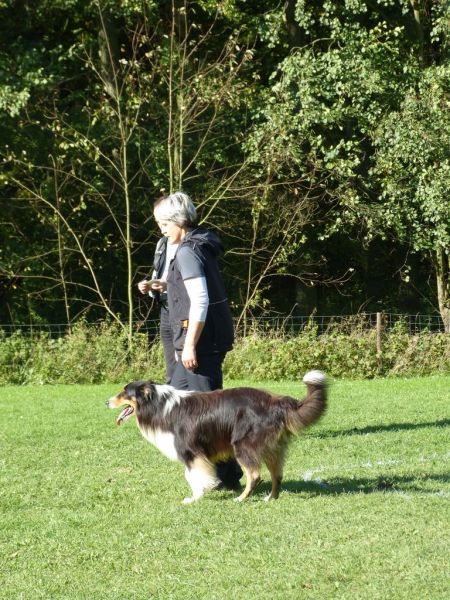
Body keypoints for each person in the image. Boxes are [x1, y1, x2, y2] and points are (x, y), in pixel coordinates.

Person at [152, 191, 242, 489]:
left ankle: (229, 476)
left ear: (179, 221)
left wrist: (189, 345)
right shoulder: (194, 244)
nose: (162, 230)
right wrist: (166, 284)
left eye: (165, 224)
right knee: (177, 402)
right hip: (199, 337)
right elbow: (188, 288)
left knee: (211, 412)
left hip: (203, 341)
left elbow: (200, 300)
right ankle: (205, 470)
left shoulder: (188, 251)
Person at [138, 236, 179, 384]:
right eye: (160, 225)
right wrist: (149, 287)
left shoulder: (191, 245)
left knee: (186, 361)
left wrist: (170, 286)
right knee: (171, 366)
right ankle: (172, 393)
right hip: (165, 308)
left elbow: (197, 286)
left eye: (165, 224)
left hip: (183, 310)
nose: (162, 229)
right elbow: (157, 274)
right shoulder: (162, 243)